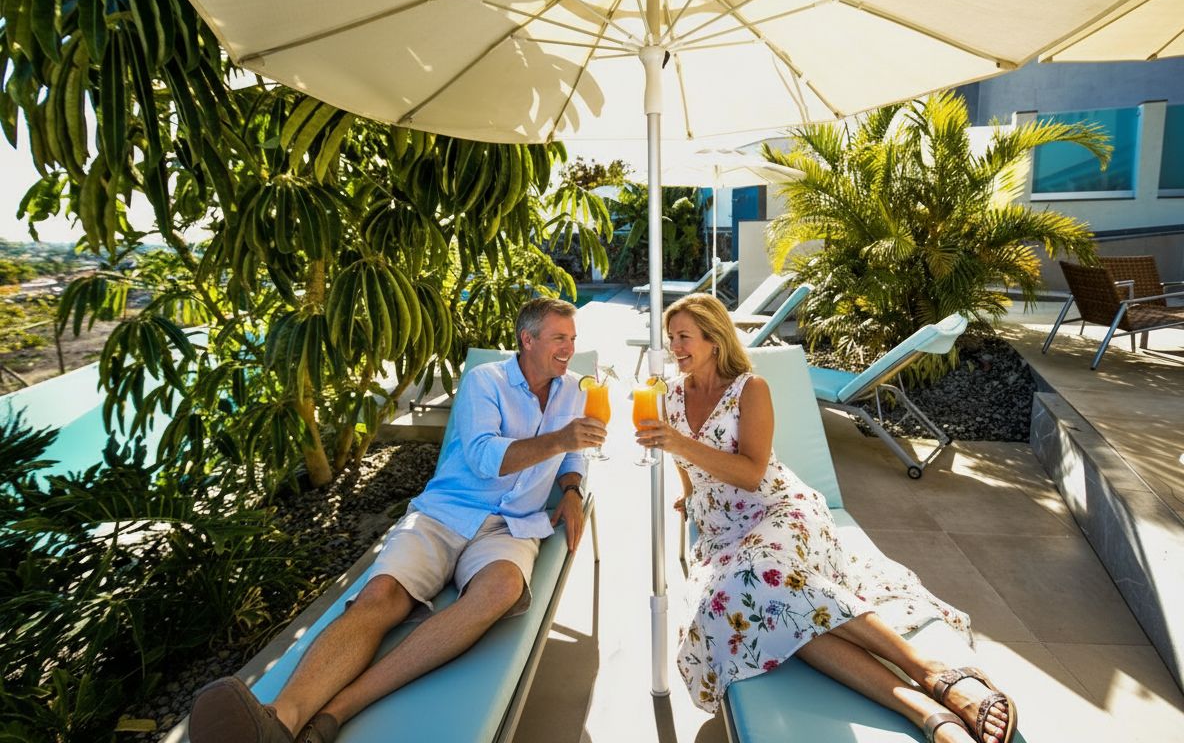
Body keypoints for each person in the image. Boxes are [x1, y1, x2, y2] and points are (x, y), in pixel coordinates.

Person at [189, 297, 606, 743]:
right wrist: (560, 439)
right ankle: (280, 718)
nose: (570, 348)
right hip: (447, 511)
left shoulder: (575, 390)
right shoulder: (486, 381)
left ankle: (341, 707)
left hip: (512, 525)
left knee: (501, 590)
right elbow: (485, 458)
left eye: (574, 339)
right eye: (560, 338)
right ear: (528, 339)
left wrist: (571, 488)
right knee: (381, 593)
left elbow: (573, 453)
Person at [634, 294, 1017, 743]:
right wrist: (687, 493)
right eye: (670, 337)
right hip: (723, 533)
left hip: (778, 510)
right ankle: (927, 712)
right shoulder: (670, 396)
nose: (674, 347)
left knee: (764, 577)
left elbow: (753, 474)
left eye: (684, 337)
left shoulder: (749, 390)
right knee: (770, 604)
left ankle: (930, 671)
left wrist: (678, 444)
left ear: (713, 339)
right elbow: (685, 465)